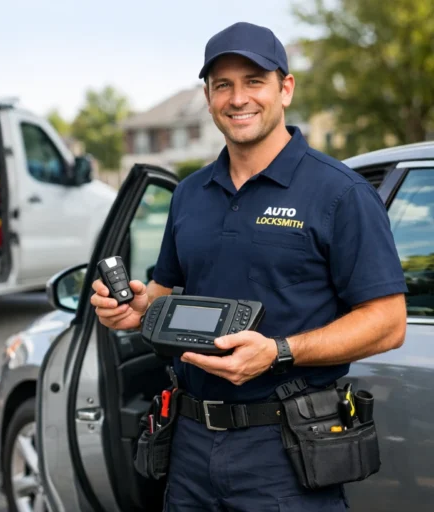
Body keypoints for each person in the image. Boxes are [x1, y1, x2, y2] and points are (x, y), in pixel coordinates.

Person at [91, 21, 407, 511]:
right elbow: (165, 291)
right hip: (190, 443)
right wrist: (136, 309)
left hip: (288, 448)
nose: (238, 98)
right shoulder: (191, 193)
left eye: (254, 81)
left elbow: (387, 324)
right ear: (208, 96)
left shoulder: (340, 193)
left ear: (285, 89)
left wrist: (279, 351)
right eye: (223, 85)